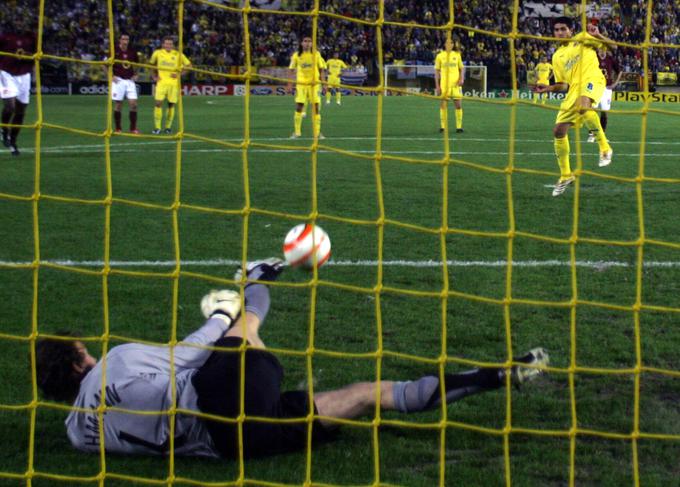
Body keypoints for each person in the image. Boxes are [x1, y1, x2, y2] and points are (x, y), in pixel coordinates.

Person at [35, 259, 550, 459]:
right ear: (80, 359)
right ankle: (257, 278)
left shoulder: (76, 434)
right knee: (247, 328)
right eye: (84, 348)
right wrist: (223, 317)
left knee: (361, 397)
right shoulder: (116, 361)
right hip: (219, 402)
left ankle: (497, 374)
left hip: (234, 446)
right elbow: (189, 356)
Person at [533, 17, 614, 197]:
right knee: (558, 131)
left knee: (583, 105)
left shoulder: (583, 37)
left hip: (593, 80)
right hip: (574, 90)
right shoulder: (557, 56)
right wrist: (548, 87)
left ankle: (605, 147)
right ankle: (566, 175)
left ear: (571, 30)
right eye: (557, 30)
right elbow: (563, 85)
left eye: (563, 29)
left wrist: (598, 35)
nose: (560, 32)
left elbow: (612, 47)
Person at [0, 22, 36, 156]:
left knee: (21, 111)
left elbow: (38, 54)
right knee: (10, 106)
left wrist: (27, 55)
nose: (21, 24)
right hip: (7, 73)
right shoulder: (6, 37)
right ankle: (4, 130)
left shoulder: (32, 38)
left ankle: (13, 142)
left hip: (24, 75)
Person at [149, 36, 191, 135]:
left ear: (173, 45)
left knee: (171, 104)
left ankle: (168, 127)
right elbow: (150, 65)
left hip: (174, 84)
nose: (168, 45)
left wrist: (179, 75)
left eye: (170, 44)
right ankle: (157, 127)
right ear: (163, 44)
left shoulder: (178, 54)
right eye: (167, 44)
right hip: (161, 83)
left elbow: (189, 66)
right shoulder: (157, 53)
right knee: (158, 103)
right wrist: (153, 76)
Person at [289, 35, 327, 139]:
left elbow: (322, 69)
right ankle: (297, 132)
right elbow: (291, 70)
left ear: (312, 44)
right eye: (305, 41)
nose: (307, 43)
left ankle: (317, 133)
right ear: (301, 43)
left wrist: (324, 84)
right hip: (301, 84)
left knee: (316, 108)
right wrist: (289, 84)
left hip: (314, 84)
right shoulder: (296, 55)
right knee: (299, 107)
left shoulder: (316, 54)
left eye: (309, 41)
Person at [587, 48, 622, 143]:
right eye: (600, 48)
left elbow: (619, 71)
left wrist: (615, 83)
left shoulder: (611, 59)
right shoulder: (593, 58)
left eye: (603, 48)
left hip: (607, 89)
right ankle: (592, 134)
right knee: (592, 111)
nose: (602, 50)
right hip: (595, 87)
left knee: (604, 112)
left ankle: (601, 135)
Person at [108, 34, 140, 134]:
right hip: (118, 80)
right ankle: (118, 128)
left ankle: (133, 128)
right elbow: (104, 65)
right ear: (119, 40)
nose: (125, 40)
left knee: (134, 104)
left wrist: (136, 74)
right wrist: (111, 76)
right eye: (123, 39)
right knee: (118, 104)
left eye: (127, 39)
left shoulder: (132, 51)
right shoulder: (114, 51)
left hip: (130, 80)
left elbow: (137, 64)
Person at [434, 35, 465, 134]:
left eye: (451, 43)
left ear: (453, 44)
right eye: (447, 43)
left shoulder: (457, 54)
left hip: (456, 85)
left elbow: (462, 68)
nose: (449, 44)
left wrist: (461, 78)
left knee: (458, 106)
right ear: (444, 44)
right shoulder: (439, 56)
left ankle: (459, 127)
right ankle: (443, 127)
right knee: (443, 106)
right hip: (444, 85)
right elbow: (437, 72)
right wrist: (437, 86)